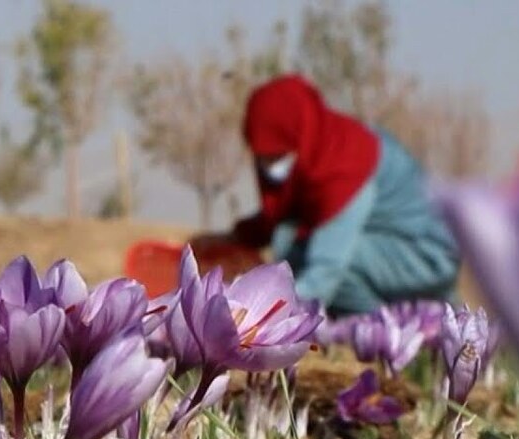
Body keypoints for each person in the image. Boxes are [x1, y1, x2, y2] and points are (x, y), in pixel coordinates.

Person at [192, 75, 459, 317]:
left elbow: (327, 269)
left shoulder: (346, 162)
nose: (269, 166)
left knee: (309, 258)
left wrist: (260, 323)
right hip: (388, 249)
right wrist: (233, 238)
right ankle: (407, 317)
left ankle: (389, 325)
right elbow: (286, 213)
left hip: (426, 256)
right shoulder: (319, 147)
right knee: (290, 243)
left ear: (300, 137)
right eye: (262, 158)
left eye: (277, 156)